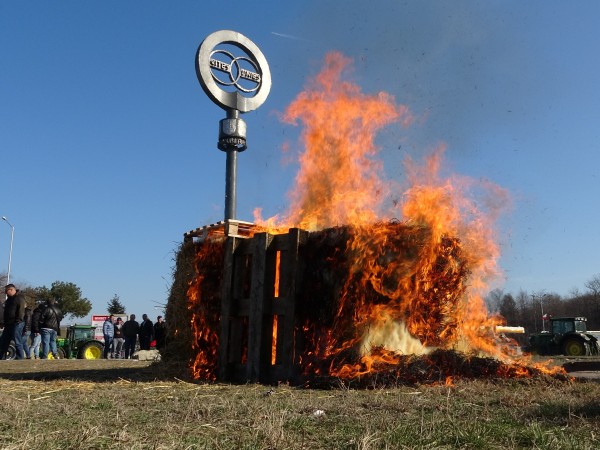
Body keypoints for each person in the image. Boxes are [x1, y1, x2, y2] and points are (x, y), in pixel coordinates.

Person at [0, 284, 26, 360]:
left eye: (6, 291)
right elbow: (6, 312)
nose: (5, 293)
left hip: (17, 323)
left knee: (17, 341)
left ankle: (20, 358)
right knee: (3, 341)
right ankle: (1, 358)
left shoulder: (19, 298)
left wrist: (19, 320)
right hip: (8, 324)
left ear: (11, 290)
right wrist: (3, 322)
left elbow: (21, 310)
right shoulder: (9, 300)